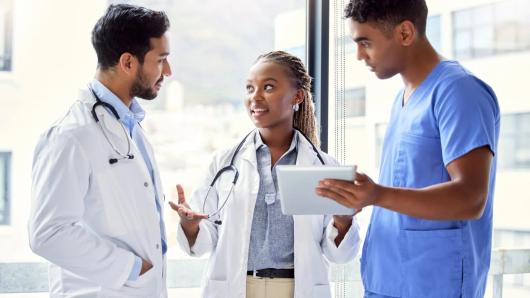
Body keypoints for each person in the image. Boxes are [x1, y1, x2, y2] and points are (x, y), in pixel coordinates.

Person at [316, 1, 500, 297]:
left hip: (433, 284)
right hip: (384, 280)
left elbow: (471, 197)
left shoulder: (459, 92)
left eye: (365, 42)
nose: (359, 55)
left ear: (404, 32)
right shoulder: (402, 100)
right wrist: (358, 196)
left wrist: (377, 194)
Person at [169, 50, 360, 298]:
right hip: (237, 289)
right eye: (250, 89)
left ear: (298, 96)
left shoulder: (325, 167)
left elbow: (340, 255)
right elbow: (203, 243)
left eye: (268, 87)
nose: (255, 97)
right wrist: (190, 225)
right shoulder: (223, 162)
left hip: (295, 290)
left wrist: (343, 222)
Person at [28, 4, 172, 297]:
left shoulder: (130, 126)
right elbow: (47, 233)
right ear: (128, 62)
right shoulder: (71, 135)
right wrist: (131, 268)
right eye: (161, 60)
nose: (167, 71)